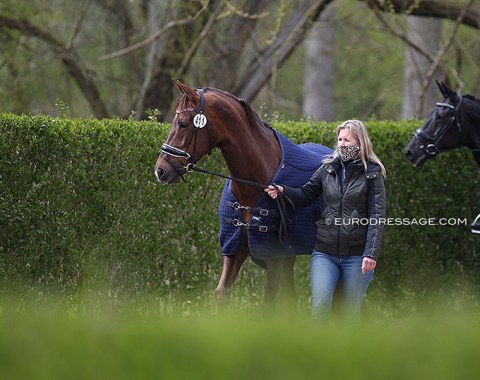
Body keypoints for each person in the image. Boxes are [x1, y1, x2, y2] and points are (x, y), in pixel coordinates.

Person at [265, 120, 386, 319]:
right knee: (320, 309)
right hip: (324, 253)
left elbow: (376, 216)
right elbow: (305, 195)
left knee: (349, 315)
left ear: (360, 142)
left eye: (347, 140)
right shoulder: (328, 168)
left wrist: (371, 254)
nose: (342, 144)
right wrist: (283, 191)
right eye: (339, 139)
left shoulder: (372, 173)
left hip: (357, 256)